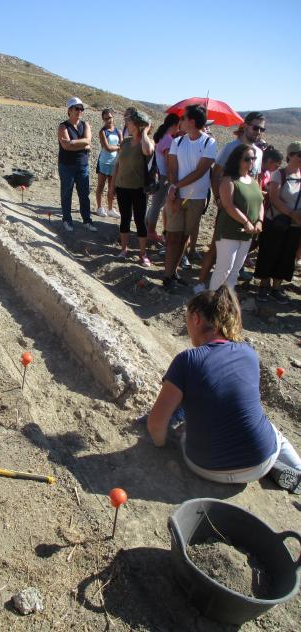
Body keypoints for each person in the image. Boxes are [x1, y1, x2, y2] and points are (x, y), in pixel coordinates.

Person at [147, 285, 301, 493]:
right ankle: (293, 470)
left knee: (184, 428)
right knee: (272, 431)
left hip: (206, 468)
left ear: (196, 319)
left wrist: (160, 445)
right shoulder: (249, 352)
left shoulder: (187, 360)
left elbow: (156, 424)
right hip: (260, 461)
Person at [194, 112, 266, 294]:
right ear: (246, 125)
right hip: (228, 203)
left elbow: (254, 179)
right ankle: (202, 282)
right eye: (255, 127)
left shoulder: (257, 152)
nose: (258, 132)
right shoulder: (230, 147)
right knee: (216, 246)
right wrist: (220, 199)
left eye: (262, 129)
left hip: (247, 207)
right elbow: (216, 173)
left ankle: (224, 292)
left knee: (234, 257)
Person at [164, 105, 217, 291]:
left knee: (184, 236)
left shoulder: (209, 143)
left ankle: (173, 272)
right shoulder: (177, 141)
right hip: (177, 195)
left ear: (192, 121)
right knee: (173, 237)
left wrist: (176, 186)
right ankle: (167, 276)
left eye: (184, 118)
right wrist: (174, 189)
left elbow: (201, 171)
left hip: (196, 197)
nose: (181, 121)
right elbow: (172, 168)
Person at [209, 144, 263, 290]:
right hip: (229, 231)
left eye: (253, 158)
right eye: (247, 159)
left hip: (248, 232)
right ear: (237, 160)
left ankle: (227, 301)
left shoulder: (253, 181)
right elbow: (228, 205)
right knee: (224, 269)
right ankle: (212, 300)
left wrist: (259, 221)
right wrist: (246, 222)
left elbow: (260, 203)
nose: (251, 162)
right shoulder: (229, 180)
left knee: (235, 271)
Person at [255, 141, 301, 304]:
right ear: (290, 155)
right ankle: (264, 285)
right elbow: (274, 198)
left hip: (295, 224)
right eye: (299, 155)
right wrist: (291, 214)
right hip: (277, 220)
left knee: (287, 255)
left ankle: (277, 287)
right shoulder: (279, 174)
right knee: (270, 251)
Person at [109, 110, 154, 265]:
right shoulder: (125, 142)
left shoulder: (146, 142)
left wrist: (145, 132)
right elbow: (117, 165)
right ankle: (123, 249)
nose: (127, 123)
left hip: (138, 188)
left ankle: (143, 254)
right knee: (125, 219)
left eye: (130, 121)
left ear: (138, 125)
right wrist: (112, 185)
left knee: (140, 221)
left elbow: (148, 151)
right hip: (122, 186)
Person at [57, 97, 96, 232]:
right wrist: (83, 145)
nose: (80, 111)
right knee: (67, 193)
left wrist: (73, 142)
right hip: (66, 165)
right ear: (69, 110)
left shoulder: (85, 125)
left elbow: (88, 141)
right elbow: (66, 147)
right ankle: (67, 220)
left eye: (81, 109)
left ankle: (87, 220)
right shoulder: (63, 126)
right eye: (77, 109)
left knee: (84, 194)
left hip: (82, 165)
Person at [146, 113, 180, 243]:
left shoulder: (161, 136)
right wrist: (172, 177)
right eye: (178, 125)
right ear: (174, 125)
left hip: (157, 173)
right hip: (163, 175)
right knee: (157, 204)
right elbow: (168, 161)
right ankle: (151, 231)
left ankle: (148, 227)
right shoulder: (168, 140)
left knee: (155, 203)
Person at [95, 108, 121, 218]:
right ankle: (100, 207)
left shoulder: (118, 131)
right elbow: (107, 147)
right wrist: (119, 147)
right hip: (104, 162)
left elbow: (122, 144)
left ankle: (110, 208)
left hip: (115, 163)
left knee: (112, 186)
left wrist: (118, 147)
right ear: (103, 119)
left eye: (109, 118)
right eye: (105, 118)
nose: (108, 120)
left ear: (113, 117)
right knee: (101, 185)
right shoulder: (102, 132)